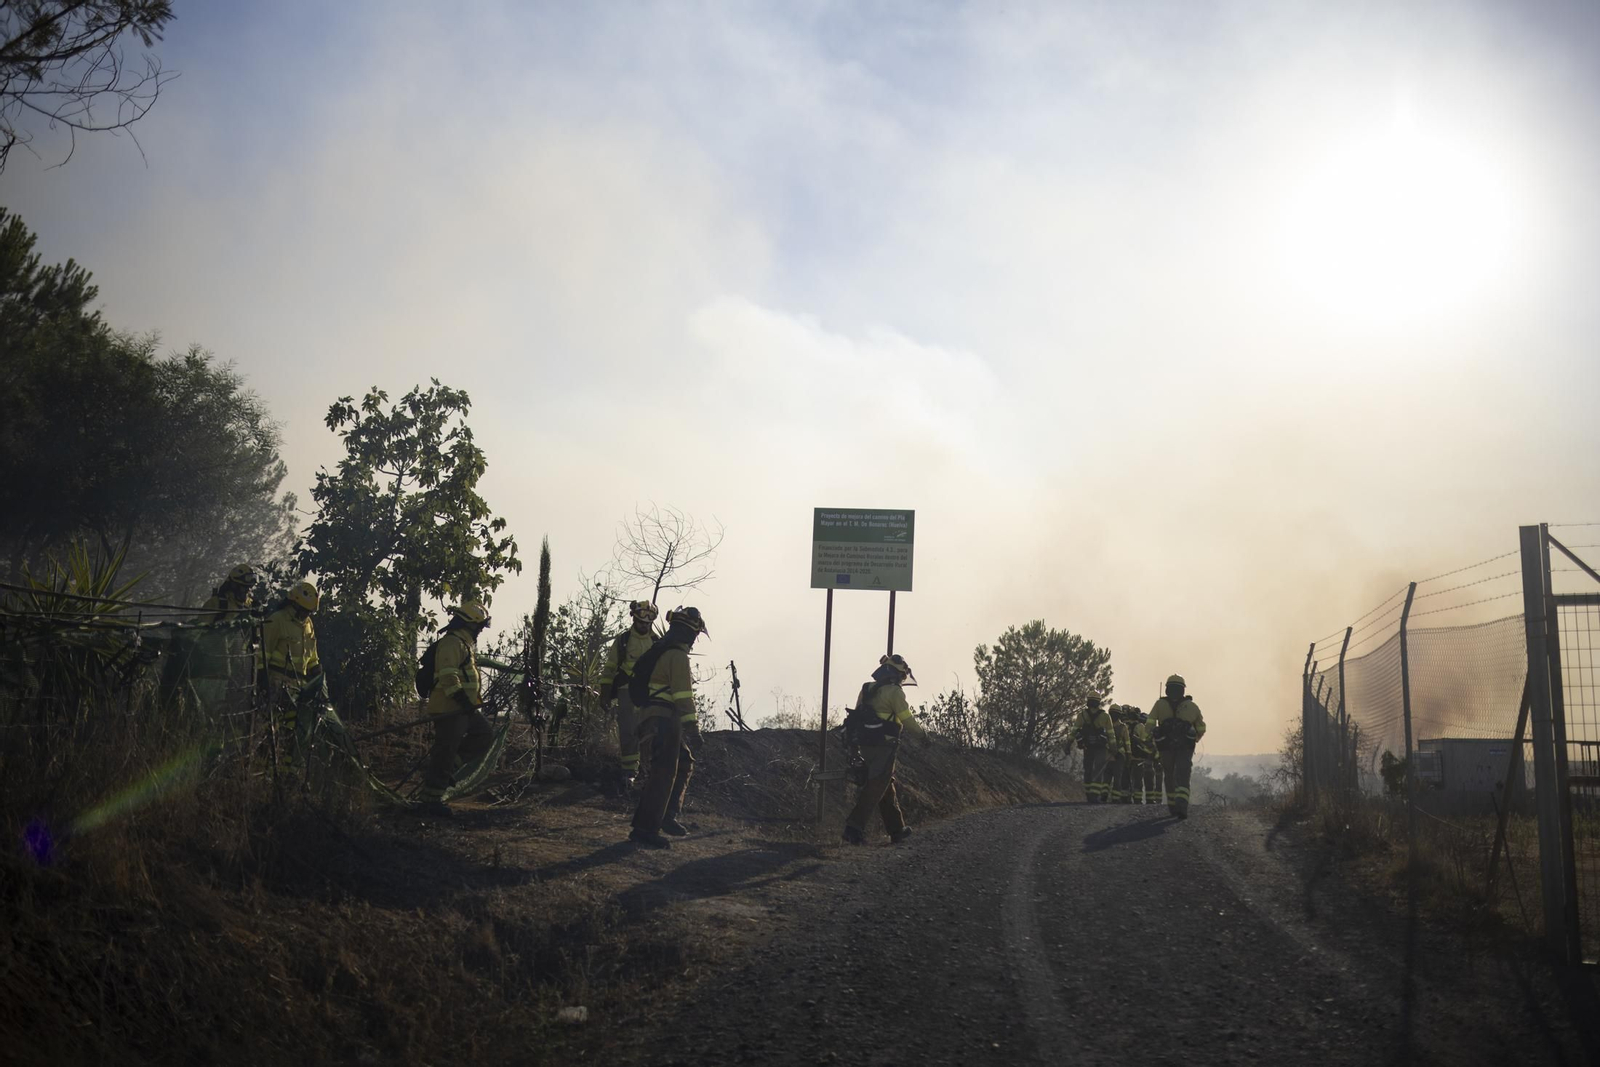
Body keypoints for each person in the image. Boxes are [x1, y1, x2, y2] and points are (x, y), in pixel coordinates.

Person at [628, 607, 709, 848]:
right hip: (663, 719)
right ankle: (645, 829)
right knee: (663, 772)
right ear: (689, 633)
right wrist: (693, 729)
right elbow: (683, 696)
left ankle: (666, 815)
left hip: (655, 718)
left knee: (683, 763)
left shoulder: (661, 650)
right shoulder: (677, 656)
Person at [413, 601, 495, 817]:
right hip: (449, 709)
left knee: (484, 735)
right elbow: (448, 675)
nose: (480, 631)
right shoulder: (452, 643)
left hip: (463, 708)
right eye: (479, 626)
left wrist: (469, 704)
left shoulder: (464, 643)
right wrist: (463, 701)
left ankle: (448, 770)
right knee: (445, 752)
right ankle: (430, 802)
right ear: (469, 624)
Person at [842, 654, 925, 845]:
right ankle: (853, 828)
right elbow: (907, 719)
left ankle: (897, 829)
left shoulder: (867, 688)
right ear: (897, 674)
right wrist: (923, 736)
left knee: (885, 786)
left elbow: (858, 713)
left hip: (865, 744)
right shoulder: (895, 692)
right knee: (876, 785)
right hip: (885, 745)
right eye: (902, 676)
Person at [594, 601, 659, 795]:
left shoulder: (657, 642)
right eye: (641, 621)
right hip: (626, 691)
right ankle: (629, 771)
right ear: (634, 619)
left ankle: (647, 771)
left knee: (649, 732)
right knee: (628, 731)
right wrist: (605, 693)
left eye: (647, 623)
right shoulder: (623, 641)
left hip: (649, 693)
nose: (644, 625)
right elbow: (610, 668)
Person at [257, 580, 323, 763]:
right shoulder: (277, 620)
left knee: (294, 734)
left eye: (309, 612)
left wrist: (317, 672)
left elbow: (312, 657)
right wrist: (263, 682)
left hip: (299, 688)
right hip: (277, 685)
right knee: (274, 732)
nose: (306, 615)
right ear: (293, 604)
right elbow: (262, 654)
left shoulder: (308, 624)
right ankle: (266, 767)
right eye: (304, 611)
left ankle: (288, 771)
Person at [186, 564, 256, 716]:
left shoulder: (248, 607)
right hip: (211, 666)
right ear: (233, 586)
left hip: (236, 668)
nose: (246, 592)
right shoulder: (217, 603)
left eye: (249, 588)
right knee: (207, 707)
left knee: (227, 711)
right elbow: (200, 632)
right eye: (243, 588)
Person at [1147, 674, 1206, 818]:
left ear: (1167, 689)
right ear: (1183, 689)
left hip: (1165, 746)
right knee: (1183, 774)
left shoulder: (1159, 704)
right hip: (1185, 747)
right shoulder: (1192, 706)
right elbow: (1201, 728)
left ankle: (1173, 806)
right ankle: (1182, 807)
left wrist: (1152, 738)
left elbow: (1149, 724)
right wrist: (1194, 739)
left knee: (1169, 775)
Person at [1073, 695, 1114, 803]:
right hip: (1100, 748)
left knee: (1088, 770)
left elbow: (1074, 730)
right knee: (1098, 770)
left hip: (1088, 747)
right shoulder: (1105, 716)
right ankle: (1094, 796)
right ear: (1099, 702)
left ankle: (1089, 795)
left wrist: (1068, 744)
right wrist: (1113, 748)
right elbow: (1111, 734)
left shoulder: (1082, 715)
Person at [1127, 707, 1160, 803]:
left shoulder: (1127, 726)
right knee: (1146, 780)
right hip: (1143, 758)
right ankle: (1146, 799)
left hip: (1133, 758)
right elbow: (1147, 743)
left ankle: (1133, 799)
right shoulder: (1141, 727)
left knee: (1133, 780)